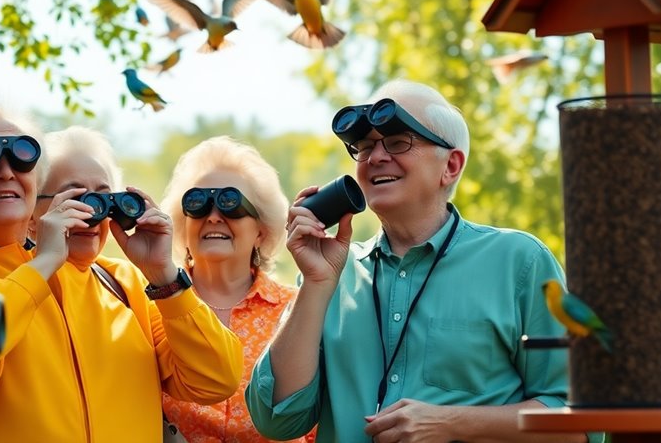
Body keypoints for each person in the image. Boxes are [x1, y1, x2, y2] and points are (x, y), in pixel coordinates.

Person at [246, 80, 595, 443]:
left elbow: (579, 422)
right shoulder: (331, 272)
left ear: (451, 165)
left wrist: (452, 423)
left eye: (398, 142)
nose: (376, 157)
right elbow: (276, 419)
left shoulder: (520, 262)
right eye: (365, 146)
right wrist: (316, 285)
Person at [0, 105, 242, 442]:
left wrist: (165, 277)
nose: (4, 172)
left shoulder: (120, 284)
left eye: (21, 159)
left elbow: (216, 380)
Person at [160, 136, 315, 443]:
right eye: (198, 205)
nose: (214, 216)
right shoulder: (153, 308)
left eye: (231, 205)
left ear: (261, 230)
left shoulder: (297, 310)